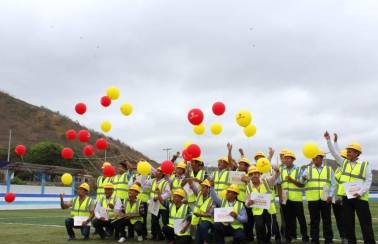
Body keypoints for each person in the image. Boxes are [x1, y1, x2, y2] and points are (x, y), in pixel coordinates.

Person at [324, 131, 375, 244]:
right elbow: (335, 153)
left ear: (357, 153)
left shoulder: (365, 164)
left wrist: (360, 192)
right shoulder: (344, 163)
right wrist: (328, 140)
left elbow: (368, 181)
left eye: (350, 151)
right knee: (348, 223)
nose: (348, 153)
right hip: (347, 198)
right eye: (347, 151)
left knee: (365, 223)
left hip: (360, 199)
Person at [301, 150, 335, 244]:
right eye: (313, 158)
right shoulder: (308, 170)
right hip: (312, 200)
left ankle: (328, 240)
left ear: (321, 158)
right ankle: (314, 240)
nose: (314, 159)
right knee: (314, 221)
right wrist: (303, 179)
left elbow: (333, 184)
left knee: (327, 221)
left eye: (317, 157)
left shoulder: (329, 169)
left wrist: (330, 195)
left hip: (326, 199)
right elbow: (302, 183)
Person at [278, 150, 309, 243]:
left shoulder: (299, 170)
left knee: (301, 219)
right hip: (285, 199)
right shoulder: (281, 171)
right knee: (288, 220)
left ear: (293, 160)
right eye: (285, 158)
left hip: (296, 199)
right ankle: (289, 237)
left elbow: (302, 184)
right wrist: (280, 198)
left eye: (288, 158)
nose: (286, 160)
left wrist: (292, 180)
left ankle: (305, 238)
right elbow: (279, 184)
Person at [246, 166, 280, 244]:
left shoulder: (266, 181)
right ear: (249, 176)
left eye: (256, 173)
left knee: (271, 228)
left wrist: (277, 170)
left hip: (270, 209)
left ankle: (268, 240)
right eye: (251, 174)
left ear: (259, 174)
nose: (254, 175)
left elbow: (276, 176)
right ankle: (261, 241)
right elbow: (246, 201)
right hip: (257, 211)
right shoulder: (248, 187)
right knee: (259, 226)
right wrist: (248, 203)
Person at [149, 166, 171, 241]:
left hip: (163, 205)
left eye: (159, 171)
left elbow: (168, 193)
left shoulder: (165, 182)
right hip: (154, 204)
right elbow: (144, 184)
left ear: (162, 174)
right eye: (157, 170)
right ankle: (159, 235)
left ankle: (168, 237)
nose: (157, 172)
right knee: (154, 221)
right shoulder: (152, 181)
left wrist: (159, 197)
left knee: (165, 222)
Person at [192, 179, 215, 244]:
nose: (201, 188)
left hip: (209, 220)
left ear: (208, 188)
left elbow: (210, 214)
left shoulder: (213, 197)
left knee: (203, 226)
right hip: (198, 219)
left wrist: (200, 215)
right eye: (201, 187)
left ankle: (207, 241)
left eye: (204, 187)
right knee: (197, 242)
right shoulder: (199, 195)